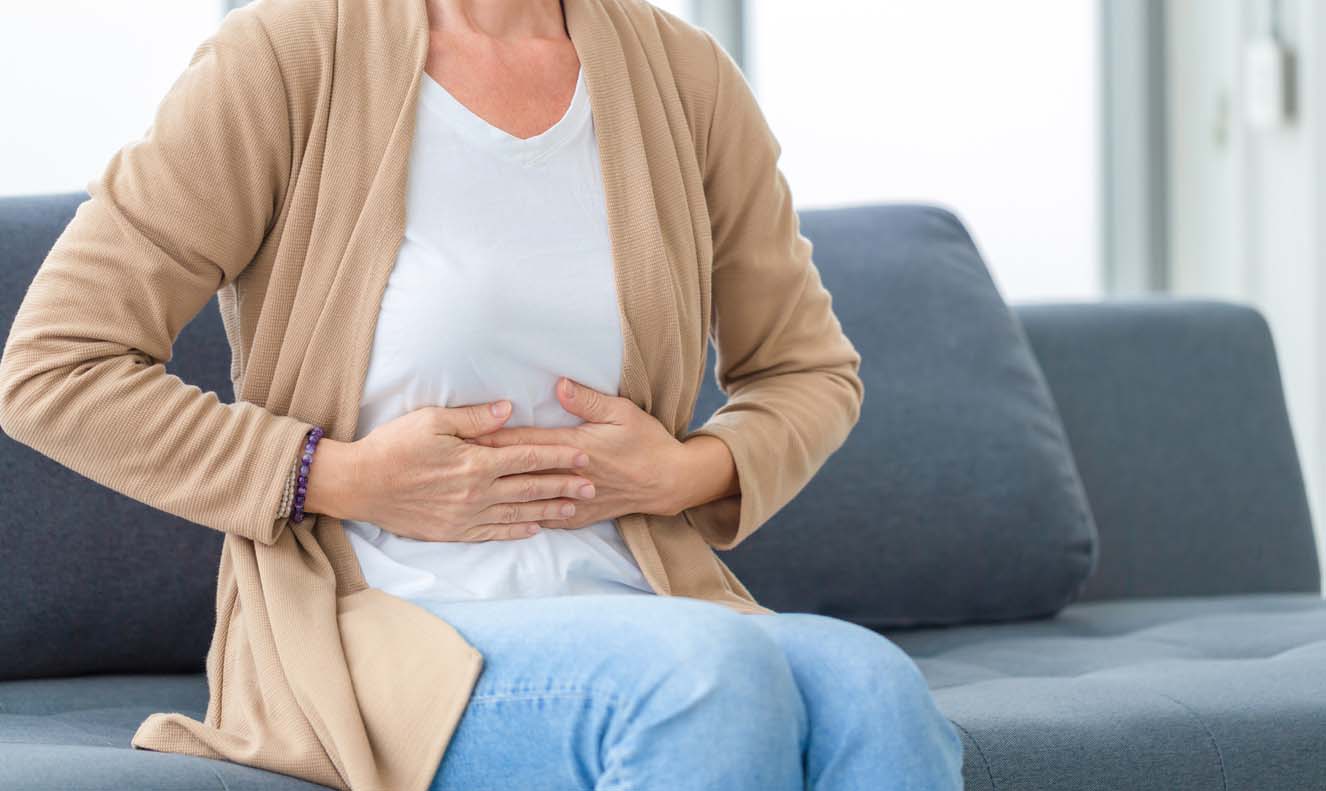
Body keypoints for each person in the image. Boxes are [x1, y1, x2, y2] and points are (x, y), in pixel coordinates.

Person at [0, 0, 963, 788]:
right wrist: (335, 476)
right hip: (377, 620)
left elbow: (809, 368)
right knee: (705, 675)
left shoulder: (687, 77)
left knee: (874, 686)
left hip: (641, 597)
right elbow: (55, 365)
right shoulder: (284, 59)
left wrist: (683, 472)